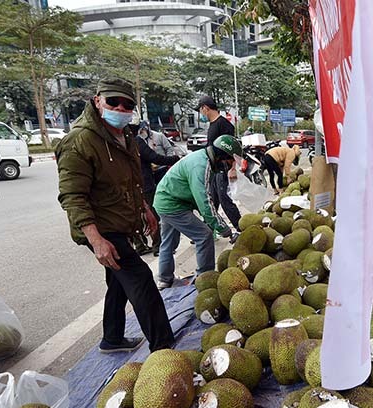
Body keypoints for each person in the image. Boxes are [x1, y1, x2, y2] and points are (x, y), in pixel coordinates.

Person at [57, 77, 175, 353]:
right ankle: (164, 350)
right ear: (98, 100)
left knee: (118, 281)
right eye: (113, 102)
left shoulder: (126, 137)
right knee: (141, 280)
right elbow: (72, 196)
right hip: (101, 227)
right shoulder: (80, 141)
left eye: (127, 104)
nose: (120, 108)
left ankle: (112, 338)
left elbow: (133, 182)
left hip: (122, 222)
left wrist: (144, 209)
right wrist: (96, 240)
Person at [154, 135, 241, 289]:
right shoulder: (201, 166)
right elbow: (205, 202)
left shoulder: (205, 159)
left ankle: (164, 280)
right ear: (222, 156)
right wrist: (226, 230)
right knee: (204, 235)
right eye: (230, 161)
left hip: (165, 199)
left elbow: (203, 200)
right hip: (173, 204)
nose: (230, 165)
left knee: (169, 242)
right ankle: (204, 278)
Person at [197, 95, 241, 232]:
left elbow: (234, 148)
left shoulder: (224, 124)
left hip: (223, 166)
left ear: (205, 108)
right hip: (213, 167)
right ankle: (208, 228)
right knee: (212, 199)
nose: (200, 114)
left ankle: (240, 227)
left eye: (200, 110)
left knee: (224, 199)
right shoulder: (212, 125)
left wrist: (233, 168)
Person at [135, 128, 180, 255]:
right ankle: (158, 247)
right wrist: (174, 159)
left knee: (136, 216)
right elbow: (154, 157)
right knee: (153, 216)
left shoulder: (116, 142)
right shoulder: (135, 141)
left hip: (129, 185)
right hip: (144, 184)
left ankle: (140, 245)